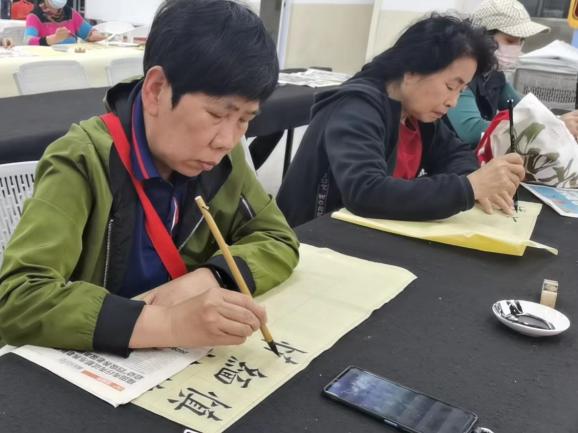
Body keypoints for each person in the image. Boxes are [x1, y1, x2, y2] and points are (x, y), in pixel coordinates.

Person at [0, 0, 299, 356]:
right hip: (91, 364)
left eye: (245, 120)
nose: (228, 140)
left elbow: (278, 237)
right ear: (156, 90)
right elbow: (18, 297)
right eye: (218, 114)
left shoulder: (222, 160)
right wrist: (169, 324)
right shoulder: (83, 160)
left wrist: (212, 277)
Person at [277, 14, 526, 228]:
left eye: (462, 91)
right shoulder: (356, 108)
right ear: (412, 72)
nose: (453, 102)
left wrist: (476, 181)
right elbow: (365, 192)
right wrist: (468, 187)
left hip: (365, 231)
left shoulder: (419, 114)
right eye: (451, 86)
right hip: (310, 237)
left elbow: (455, 154)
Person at [446, 0, 578, 147]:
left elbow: (525, 108)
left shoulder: (493, 75)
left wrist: (556, 120)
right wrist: (550, 127)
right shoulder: (462, 72)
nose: (517, 47)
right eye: (510, 40)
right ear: (483, 36)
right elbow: (471, 130)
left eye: (521, 41)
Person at [24, 0, 106, 46]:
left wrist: (98, 35)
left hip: (72, 62)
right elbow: (28, 41)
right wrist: (54, 38)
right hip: (47, 64)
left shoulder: (71, 13)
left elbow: (88, 33)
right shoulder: (34, 16)